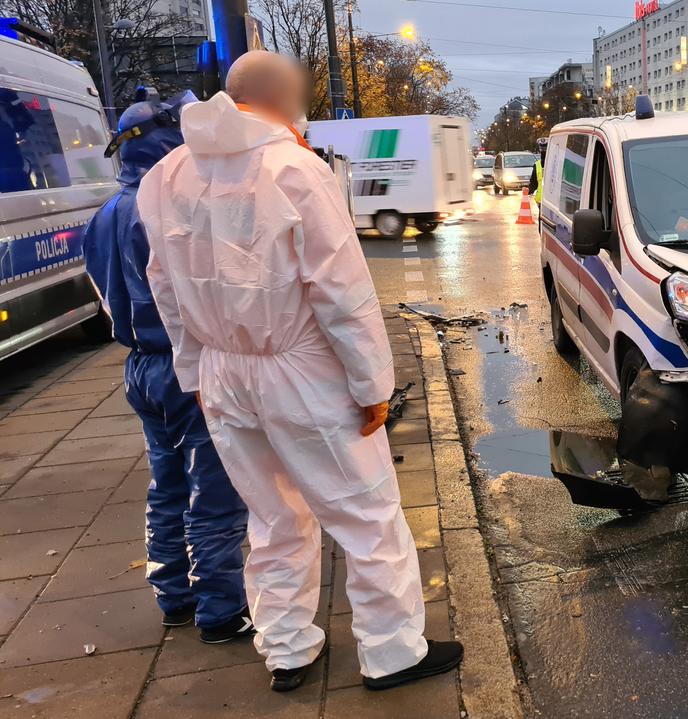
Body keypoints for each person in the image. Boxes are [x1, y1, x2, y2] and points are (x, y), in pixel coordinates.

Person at [137, 51, 464, 693]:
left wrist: (197, 373)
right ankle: (392, 651)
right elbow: (340, 291)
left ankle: (286, 647)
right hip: (299, 366)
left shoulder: (167, 174)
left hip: (225, 371)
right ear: (290, 103)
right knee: (366, 515)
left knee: (272, 516)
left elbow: (165, 288)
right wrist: (372, 385)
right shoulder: (294, 169)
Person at [83, 90, 254, 645]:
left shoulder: (105, 214)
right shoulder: (164, 207)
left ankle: (174, 596)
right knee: (214, 490)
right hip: (184, 365)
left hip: (139, 367)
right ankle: (221, 611)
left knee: (166, 485)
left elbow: (107, 297)